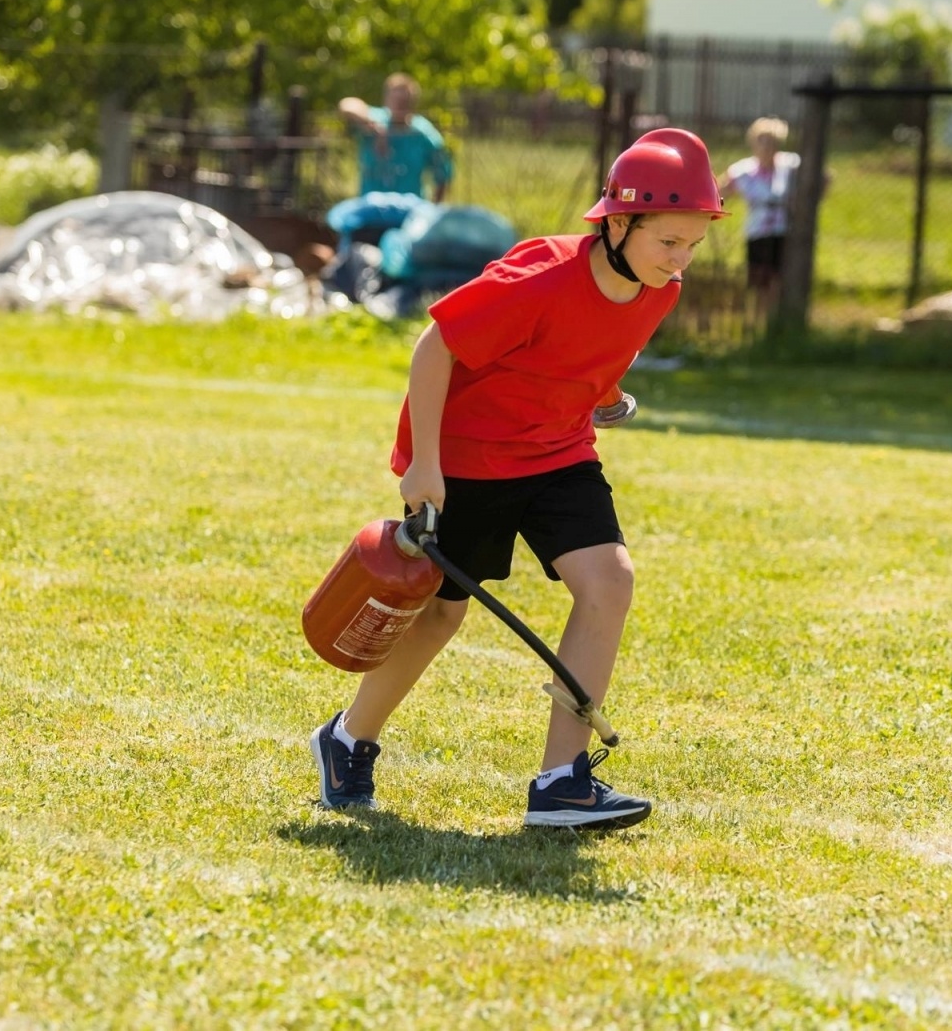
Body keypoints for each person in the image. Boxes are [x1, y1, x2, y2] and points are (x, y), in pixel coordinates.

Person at [309, 128, 729, 830]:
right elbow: (436, 347)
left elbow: (585, 351)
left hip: (561, 455)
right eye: (669, 243)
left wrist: (604, 397)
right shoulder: (541, 275)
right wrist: (424, 464)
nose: (681, 260)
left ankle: (560, 785)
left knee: (610, 582)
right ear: (620, 222)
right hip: (468, 458)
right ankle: (348, 740)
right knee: (440, 613)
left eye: (693, 244)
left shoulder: (660, 290)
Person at [715, 117, 802, 314]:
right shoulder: (742, 171)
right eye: (762, 141)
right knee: (760, 280)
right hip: (758, 231)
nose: (767, 147)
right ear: (753, 142)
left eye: (772, 141)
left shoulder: (792, 166)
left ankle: (782, 318)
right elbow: (718, 193)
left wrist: (804, 202)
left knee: (782, 278)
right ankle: (763, 318)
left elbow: (823, 178)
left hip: (785, 230)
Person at [337, 73, 454, 203]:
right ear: (386, 100)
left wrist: (433, 209)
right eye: (395, 101)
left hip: (409, 207)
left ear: (413, 103)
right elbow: (346, 104)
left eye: (404, 103)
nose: (399, 107)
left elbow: (443, 174)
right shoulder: (375, 119)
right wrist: (376, 128)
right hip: (371, 207)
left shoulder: (424, 134)